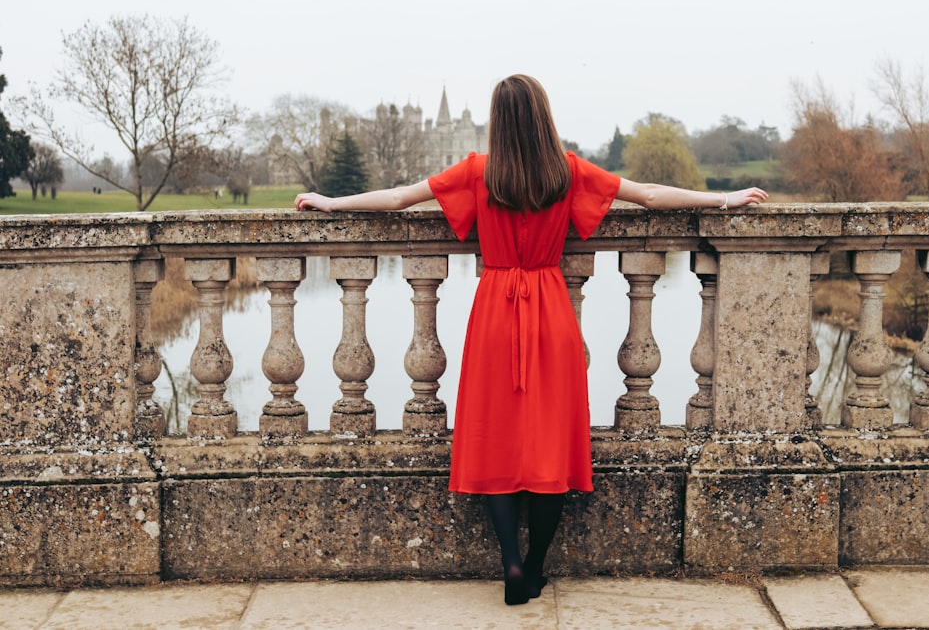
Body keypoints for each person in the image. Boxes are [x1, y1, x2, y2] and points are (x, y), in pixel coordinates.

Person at [295, 74, 767, 605]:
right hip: (549, 308)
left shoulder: (478, 172)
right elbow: (650, 196)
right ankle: (537, 565)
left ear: (497, 120)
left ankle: (512, 566)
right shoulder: (565, 171)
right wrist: (726, 197)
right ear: (542, 115)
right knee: (551, 441)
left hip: (496, 310)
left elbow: (402, 197)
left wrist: (333, 202)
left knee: (495, 437)